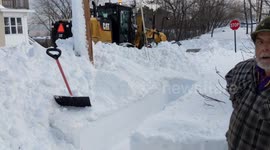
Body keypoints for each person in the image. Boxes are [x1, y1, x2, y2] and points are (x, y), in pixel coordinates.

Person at [225, 16, 270, 150]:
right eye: (260, 42)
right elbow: (230, 79)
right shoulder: (242, 68)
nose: (265, 48)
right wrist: (236, 97)